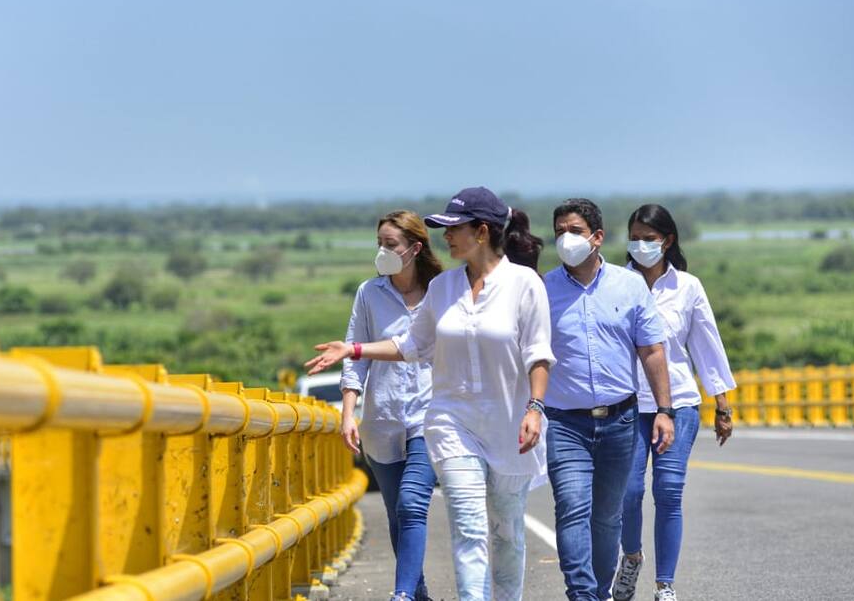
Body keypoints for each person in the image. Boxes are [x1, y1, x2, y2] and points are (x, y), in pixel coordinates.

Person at [307, 186, 555, 601]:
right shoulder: (443, 288)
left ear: (482, 232)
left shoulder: (524, 283)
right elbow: (411, 345)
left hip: (510, 424)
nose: (446, 236)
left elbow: (539, 353)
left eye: (454, 228)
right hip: (451, 423)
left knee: (506, 532)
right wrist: (353, 349)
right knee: (468, 526)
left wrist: (534, 407)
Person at [541, 198, 676, 601]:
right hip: (565, 422)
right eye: (560, 232)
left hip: (620, 421)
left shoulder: (630, 285)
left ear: (597, 237)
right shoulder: (542, 290)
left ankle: (599, 592)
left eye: (575, 231)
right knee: (572, 507)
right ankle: (581, 594)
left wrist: (664, 410)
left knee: (606, 518)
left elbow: (651, 350)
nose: (566, 239)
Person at [612, 204, 736, 601]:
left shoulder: (688, 287)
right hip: (629, 405)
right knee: (629, 492)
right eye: (634, 238)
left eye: (648, 238)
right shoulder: (615, 284)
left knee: (668, 491)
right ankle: (632, 557)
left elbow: (706, 346)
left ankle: (665, 584)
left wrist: (722, 406)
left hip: (679, 403)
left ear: (667, 241)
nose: (640, 245)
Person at [339, 210, 443, 601]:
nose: (382, 251)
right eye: (379, 243)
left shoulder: (442, 292)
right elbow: (356, 356)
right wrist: (349, 413)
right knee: (397, 512)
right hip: (382, 418)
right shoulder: (369, 293)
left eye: (390, 244)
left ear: (415, 248)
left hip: (430, 415)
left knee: (412, 503)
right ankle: (417, 591)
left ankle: (401, 595)